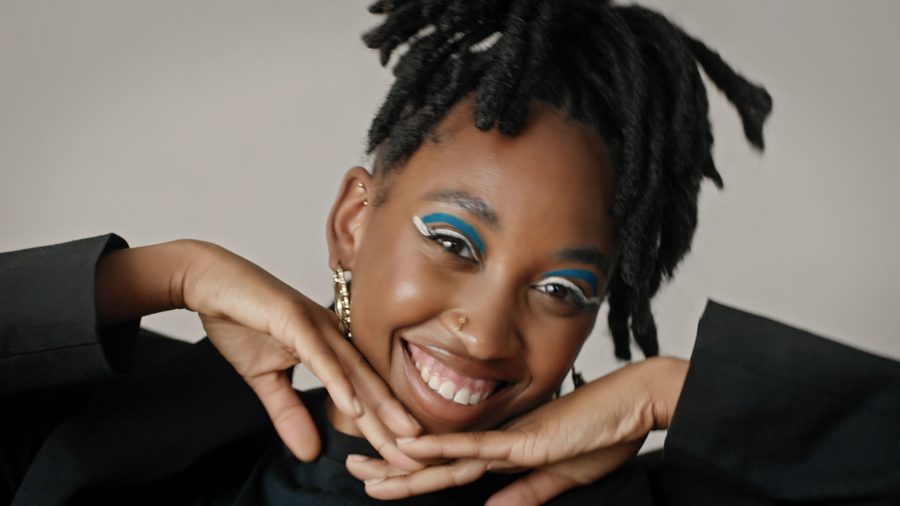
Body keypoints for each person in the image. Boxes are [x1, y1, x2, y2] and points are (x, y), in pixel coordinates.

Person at [1, 1, 898, 505]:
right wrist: (166, 274)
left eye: (562, 288)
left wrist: (669, 392)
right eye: (452, 241)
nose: (486, 330)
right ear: (354, 221)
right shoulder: (105, 441)